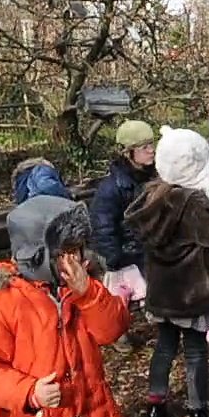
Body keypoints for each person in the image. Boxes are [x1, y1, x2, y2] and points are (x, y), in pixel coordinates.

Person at [0, 195, 131, 417]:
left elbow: (113, 330)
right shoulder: (3, 304)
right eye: (65, 252)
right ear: (37, 256)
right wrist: (29, 392)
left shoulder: (82, 288)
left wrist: (89, 294)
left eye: (78, 250)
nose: (74, 260)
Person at [125, 126, 209, 417]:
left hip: (163, 293)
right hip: (192, 294)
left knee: (164, 348)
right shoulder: (194, 204)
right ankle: (198, 413)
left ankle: (155, 406)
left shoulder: (153, 197)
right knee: (195, 351)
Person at [91, 120, 157, 351]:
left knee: (153, 288)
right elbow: (103, 225)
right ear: (129, 153)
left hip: (148, 246)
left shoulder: (153, 177)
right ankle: (118, 333)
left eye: (152, 144)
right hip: (126, 251)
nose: (152, 150)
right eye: (144, 147)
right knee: (121, 298)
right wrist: (114, 256)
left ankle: (157, 319)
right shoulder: (111, 188)